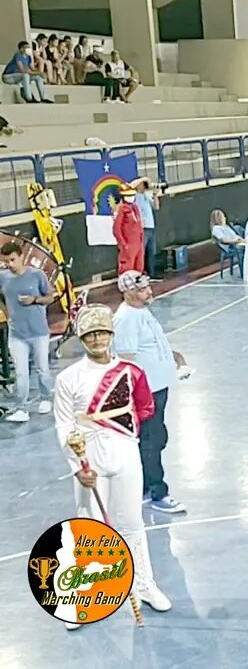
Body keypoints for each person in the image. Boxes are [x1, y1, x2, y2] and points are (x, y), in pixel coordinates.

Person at [55, 304, 171, 628]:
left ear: (110, 334)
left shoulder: (132, 372)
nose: (96, 339)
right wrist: (76, 465)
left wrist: (120, 431)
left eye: (101, 332)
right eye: (89, 334)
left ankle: (144, 583)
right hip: (87, 456)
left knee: (132, 521)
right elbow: (63, 424)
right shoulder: (68, 378)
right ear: (81, 337)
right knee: (90, 526)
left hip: (123, 450)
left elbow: (145, 409)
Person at [113, 271, 188, 514]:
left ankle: (144, 487)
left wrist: (171, 355)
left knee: (156, 437)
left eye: (148, 287)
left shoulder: (142, 311)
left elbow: (149, 343)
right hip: (147, 392)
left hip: (158, 385)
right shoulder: (125, 319)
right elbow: (126, 359)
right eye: (143, 289)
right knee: (151, 441)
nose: (149, 291)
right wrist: (136, 395)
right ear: (128, 292)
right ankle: (157, 492)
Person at [0, 242, 56, 423]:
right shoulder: (3, 278)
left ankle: (46, 397)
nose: (10, 264)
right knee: (21, 373)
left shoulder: (36, 275)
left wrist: (35, 300)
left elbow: (50, 297)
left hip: (39, 331)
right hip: (17, 335)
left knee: (42, 369)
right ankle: (21, 408)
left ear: (21, 257)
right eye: (6, 261)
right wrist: (8, 313)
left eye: (13, 260)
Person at [113, 182, 145, 276]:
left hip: (138, 243)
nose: (131, 197)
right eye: (128, 195)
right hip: (128, 244)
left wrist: (141, 240)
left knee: (139, 265)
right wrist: (123, 244)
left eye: (132, 195)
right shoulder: (122, 210)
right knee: (127, 267)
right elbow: (116, 229)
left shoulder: (135, 208)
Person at [133, 179, 161, 279]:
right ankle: (141, 273)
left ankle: (151, 273)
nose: (144, 186)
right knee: (142, 251)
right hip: (142, 227)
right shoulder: (135, 196)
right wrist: (140, 181)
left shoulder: (147, 195)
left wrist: (155, 194)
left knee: (151, 250)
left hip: (150, 226)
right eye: (142, 184)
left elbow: (156, 207)